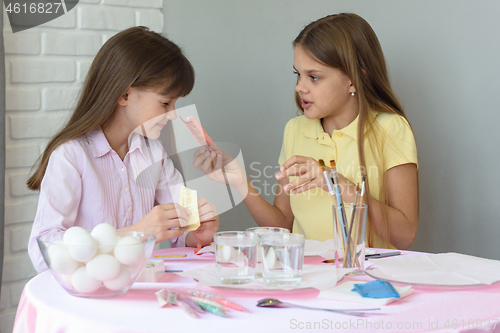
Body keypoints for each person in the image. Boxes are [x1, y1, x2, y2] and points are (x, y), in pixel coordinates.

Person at [194, 13, 418, 250]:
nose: (300, 87)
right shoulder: (295, 129)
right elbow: (282, 226)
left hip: (364, 277)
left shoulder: (390, 129)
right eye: (297, 74)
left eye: (314, 77)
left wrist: (335, 182)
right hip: (308, 275)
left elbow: (404, 235)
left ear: (354, 80)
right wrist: (240, 182)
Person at [27, 26, 219, 273]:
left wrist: (197, 233)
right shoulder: (71, 156)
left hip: (139, 291)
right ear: (124, 94)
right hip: (88, 300)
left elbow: (181, 231)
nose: (172, 114)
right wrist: (136, 234)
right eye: (165, 102)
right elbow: (43, 251)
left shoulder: (154, 154)